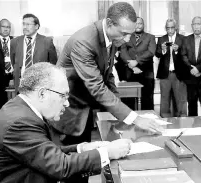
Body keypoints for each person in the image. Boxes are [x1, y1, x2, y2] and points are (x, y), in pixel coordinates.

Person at [56, 4, 162, 178]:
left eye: (131, 33)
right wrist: (134, 118)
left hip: (83, 107)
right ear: (110, 23)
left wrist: (119, 108)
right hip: (68, 110)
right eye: (124, 33)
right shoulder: (84, 41)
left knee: (83, 166)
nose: (127, 40)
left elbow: (108, 75)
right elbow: (97, 87)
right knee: (72, 168)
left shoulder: (112, 37)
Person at [0, 62, 133, 183]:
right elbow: (60, 167)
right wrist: (107, 153)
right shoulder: (20, 122)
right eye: (63, 95)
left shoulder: (21, 108)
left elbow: (45, 153)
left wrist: (82, 148)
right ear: (42, 94)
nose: (67, 103)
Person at [11, 13, 58, 94]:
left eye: (28, 24)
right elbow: (13, 61)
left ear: (37, 26)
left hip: (40, 84)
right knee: (22, 106)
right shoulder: (15, 41)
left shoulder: (47, 41)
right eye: (23, 24)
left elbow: (53, 64)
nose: (25, 27)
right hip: (21, 83)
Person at [119, 17, 156, 110]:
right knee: (128, 100)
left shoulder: (150, 37)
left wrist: (137, 61)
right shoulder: (126, 36)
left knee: (147, 99)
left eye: (140, 23)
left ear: (143, 25)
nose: (138, 25)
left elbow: (151, 52)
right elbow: (123, 52)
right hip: (129, 72)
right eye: (136, 23)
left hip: (146, 73)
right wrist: (132, 66)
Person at [181, 16, 201, 117]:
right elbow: (183, 55)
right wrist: (191, 68)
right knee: (191, 106)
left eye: (198, 24)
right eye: (194, 24)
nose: (196, 27)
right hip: (191, 78)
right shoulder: (186, 39)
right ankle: (193, 130)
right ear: (191, 26)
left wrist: (199, 68)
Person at [155, 18, 187, 118]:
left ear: (176, 28)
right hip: (165, 74)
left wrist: (178, 50)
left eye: (172, 27)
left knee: (180, 99)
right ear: (165, 28)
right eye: (168, 28)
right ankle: (165, 121)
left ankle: (181, 121)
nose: (170, 30)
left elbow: (187, 55)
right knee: (165, 99)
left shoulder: (183, 39)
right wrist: (163, 50)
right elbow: (157, 54)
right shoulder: (161, 39)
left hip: (179, 73)